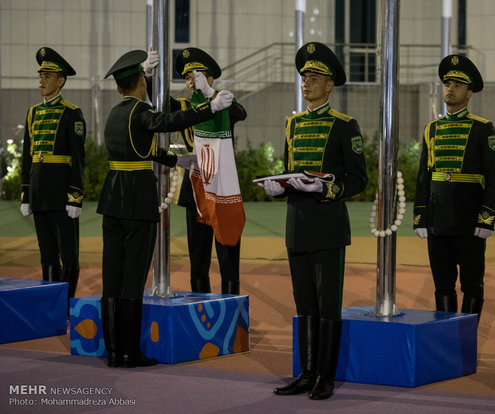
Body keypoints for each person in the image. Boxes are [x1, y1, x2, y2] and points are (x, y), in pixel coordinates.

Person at [97, 50, 233, 368]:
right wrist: (209, 107)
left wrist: (175, 160)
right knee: (132, 281)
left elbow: (139, 148)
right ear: (142, 83)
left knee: (111, 280)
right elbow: (168, 121)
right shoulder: (140, 112)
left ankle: (114, 351)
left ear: (118, 87)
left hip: (112, 198)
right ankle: (129, 353)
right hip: (136, 200)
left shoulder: (116, 113)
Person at [259, 42, 367, 400]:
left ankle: (326, 376)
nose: (306, 83)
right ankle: (306, 373)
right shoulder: (292, 124)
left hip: (328, 224)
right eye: (304, 77)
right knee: (304, 302)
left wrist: (326, 188)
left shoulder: (345, 126)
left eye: (314, 77)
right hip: (298, 223)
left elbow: (357, 179)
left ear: (330, 85)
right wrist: (279, 185)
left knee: (327, 303)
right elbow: (291, 171)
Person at [412, 54, 495, 322]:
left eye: (457, 85)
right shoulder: (432, 129)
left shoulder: (482, 129)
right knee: (442, 283)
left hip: (469, 219)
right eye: (447, 84)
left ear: (469, 92)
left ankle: (467, 339)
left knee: (472, 283)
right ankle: (446, 336)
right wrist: (420, 216)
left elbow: (494, 177)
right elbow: (423, 178)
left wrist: (486, 218)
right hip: (439, 220)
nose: (449, 89)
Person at [171, 47, 247, 294]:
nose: (192, 81)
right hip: (195, 191)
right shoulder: (183, 106)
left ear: (210, 78)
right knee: (198, 261)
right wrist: (148, 77)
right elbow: (157, 101)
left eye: (198, 75)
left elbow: (241, 113)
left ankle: (230, 310)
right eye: (189, 77)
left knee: (228, 258)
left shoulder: (221, 100)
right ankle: (199, 311)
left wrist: (210, 93)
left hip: (223, 189)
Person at [20, 47, 85, 302]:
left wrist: (75, 197)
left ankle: (66, 306)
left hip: (61, 195)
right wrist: (26, 193)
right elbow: (27, 156)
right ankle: (51, 305)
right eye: (40, 75)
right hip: (39, 192)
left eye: (47, 76)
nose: (41, 81)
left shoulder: (72, 113)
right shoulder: (33, 113)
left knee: (68, 255)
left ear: (61, 80)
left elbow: (78, 159)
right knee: (47, 254)